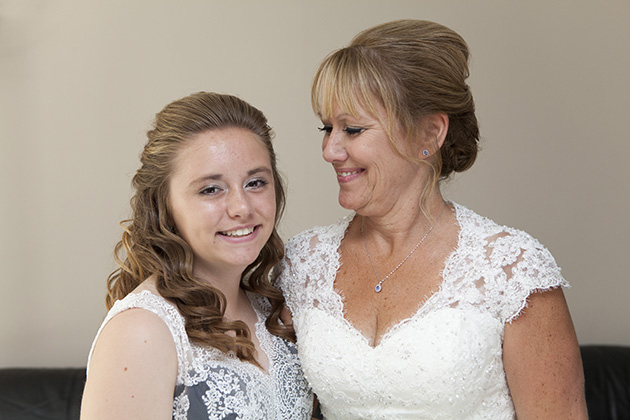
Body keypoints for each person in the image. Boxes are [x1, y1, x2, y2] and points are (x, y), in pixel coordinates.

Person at [277, 20, 588, 419]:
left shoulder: (512, 269)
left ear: (429, 133)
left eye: (352, 129)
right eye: (327, 128)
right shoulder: (304, 262)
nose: (330, 150)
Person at [80, 92, 313, 420]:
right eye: (210, 189)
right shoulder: (141, 331)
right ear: (165, 207)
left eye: (256, 182)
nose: (242, 208)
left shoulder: (272, 312)